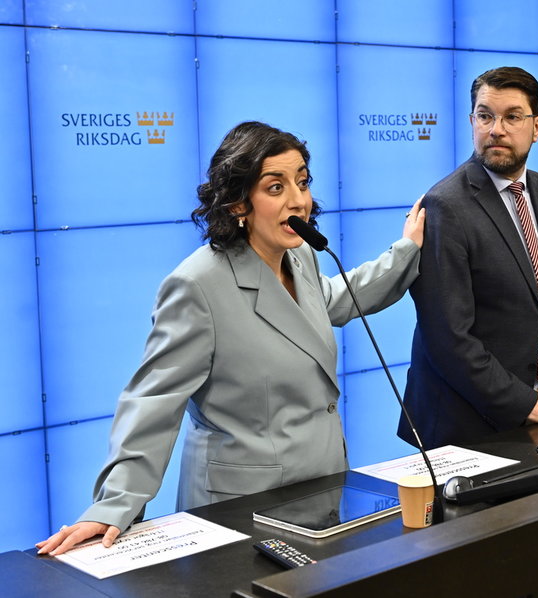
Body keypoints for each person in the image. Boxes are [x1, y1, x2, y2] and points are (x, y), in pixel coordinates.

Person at [37, 121, 425, 555]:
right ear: (239, 203)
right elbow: (153, 402)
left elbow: (336, 299)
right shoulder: (197, 285)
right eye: (275, 187)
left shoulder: (299, 257)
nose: (299, 200)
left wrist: (406, 251)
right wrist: (113, 505)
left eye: (302, 182)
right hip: (240, 513)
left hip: (320, 497)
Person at [398, 66, 538, 450]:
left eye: (512, 117)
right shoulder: (446, 205)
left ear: (537, 126)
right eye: (485, 116)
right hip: (466, 427)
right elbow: (449, 338)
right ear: (472, 120)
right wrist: (531, 403)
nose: (496, 129)